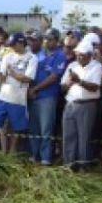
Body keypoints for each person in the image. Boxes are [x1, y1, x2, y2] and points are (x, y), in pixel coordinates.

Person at [0, 32, 37, 154]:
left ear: (20, 43)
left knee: (16, 129)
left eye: (14, 44)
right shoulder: (8, 56)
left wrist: (12, 73)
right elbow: (1, 77)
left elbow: (28, 78)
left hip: (18, 99)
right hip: (3, 96)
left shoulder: (32, 58)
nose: (12, 47)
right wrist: (1, 74)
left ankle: (11, 154)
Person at [60, 42, 102, 170]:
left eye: (82, 56)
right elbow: (62, 87)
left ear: (90, 55)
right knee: (68, 135)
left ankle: (83, 166)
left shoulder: (97, 66)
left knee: (84, 136)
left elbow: (95, 87)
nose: (79, 58)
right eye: (77, 55)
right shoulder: (72, 65)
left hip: (87, 105)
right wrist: (68, 83)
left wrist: (79, 81)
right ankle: (69, 165)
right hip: (70, 103)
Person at [27, 28, 66, 165]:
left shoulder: (60, 55)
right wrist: (30, 90)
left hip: (48, 97)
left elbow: (54, 77)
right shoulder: (39, 54)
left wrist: (35, 89)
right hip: (34, 96)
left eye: (50, 39)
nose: (47, 41)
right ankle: (34, 155)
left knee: (46, 129)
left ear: (56, 40)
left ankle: (45, 158)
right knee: (34, 128)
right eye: (46, 39)